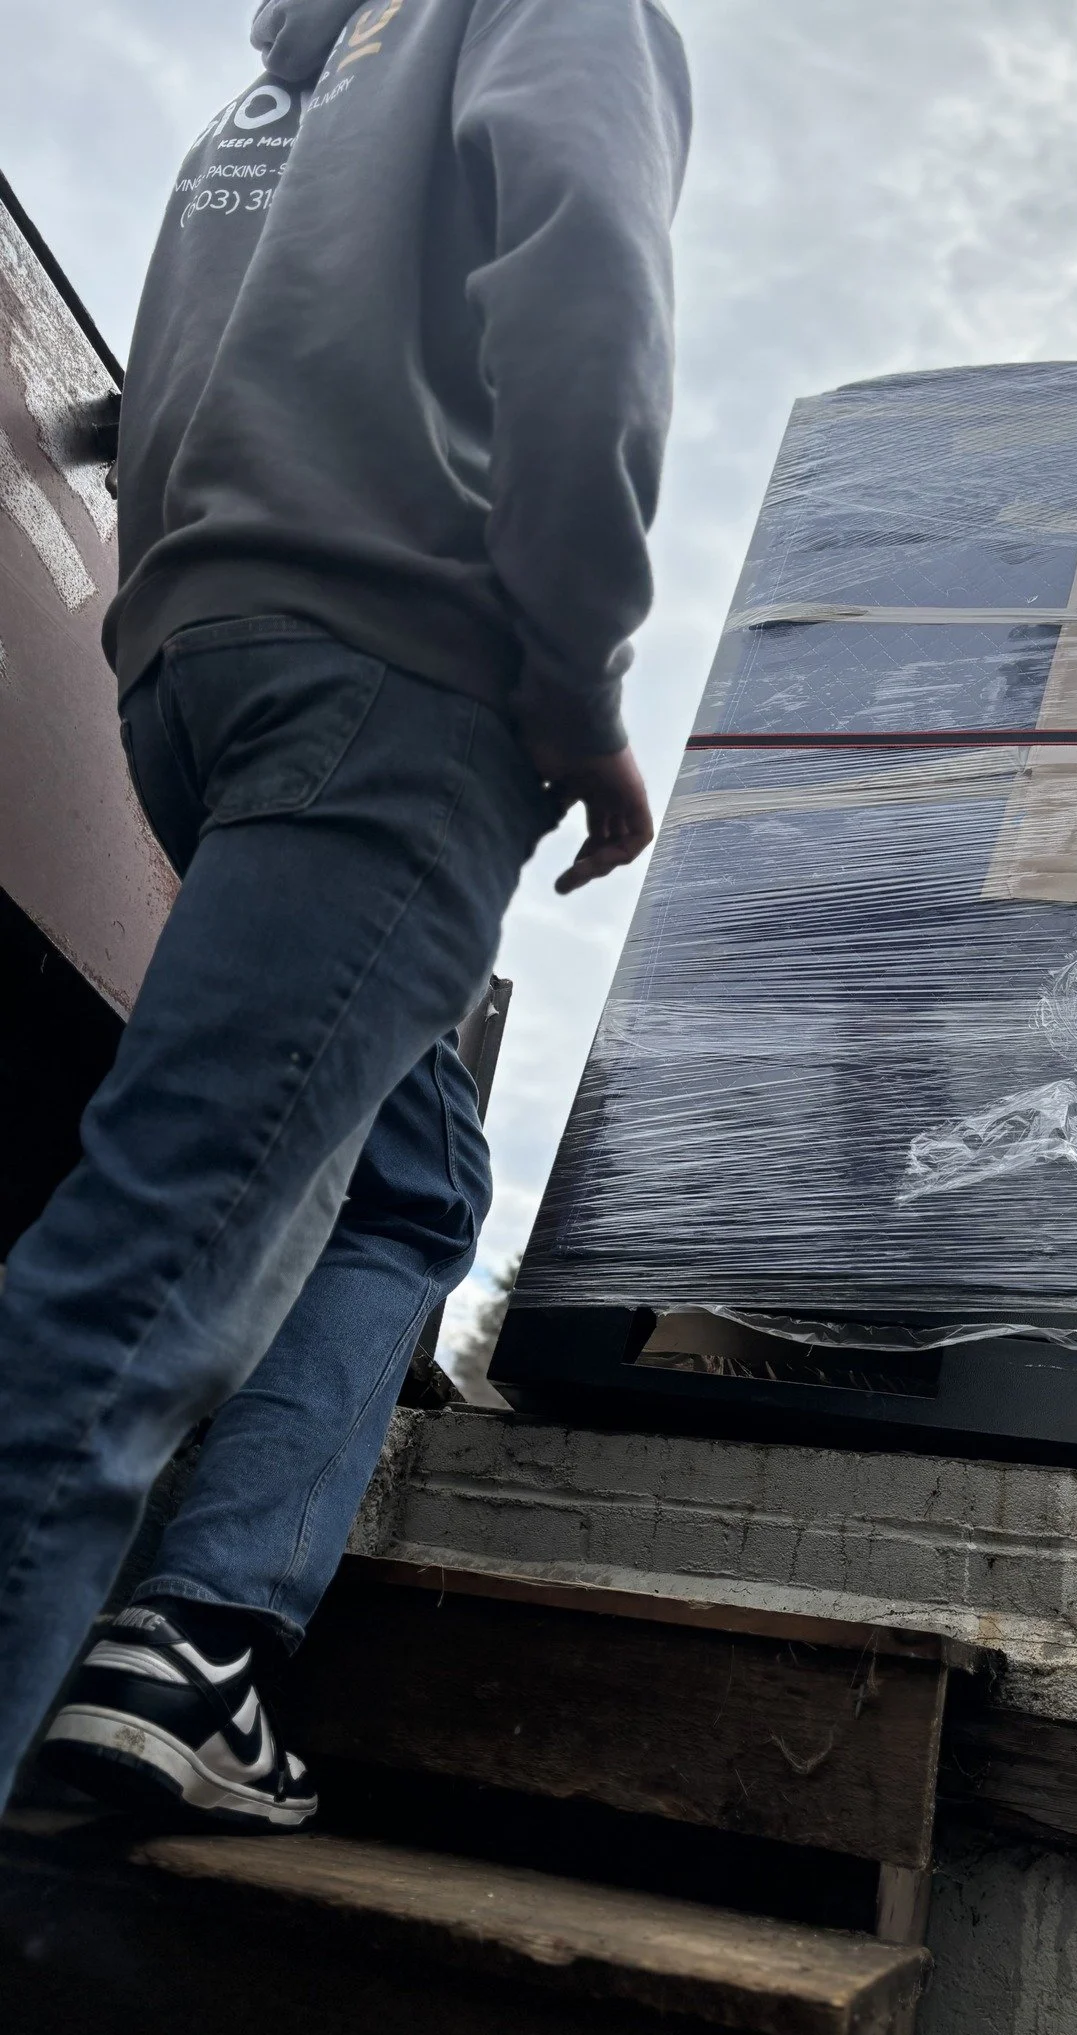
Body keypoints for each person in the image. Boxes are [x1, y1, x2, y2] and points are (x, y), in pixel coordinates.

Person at [0, 0, 691, 1825]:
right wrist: (574, 677)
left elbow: (158, 391)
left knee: (409, 1179)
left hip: (198, 671)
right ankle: (173, 1632)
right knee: (142, 1270)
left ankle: (195, 1638)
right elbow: (587, 271)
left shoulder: (282, 89)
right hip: (389, 678)